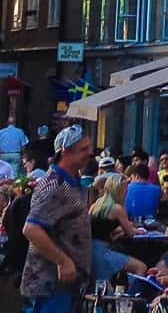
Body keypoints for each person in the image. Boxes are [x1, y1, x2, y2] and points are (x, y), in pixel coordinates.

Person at [20, 124, 93, 313]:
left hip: (65, 285)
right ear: (66, 152)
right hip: (49, 283)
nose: (90, 153)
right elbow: (31, 229)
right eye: (83, 149)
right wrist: (63, 261)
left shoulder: (73, 180)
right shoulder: (54, 185)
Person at [89, 173, 147, 280]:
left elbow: (101, 228)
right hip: (102, 252)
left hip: (90, 250)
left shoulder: (95, 205)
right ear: (118, 190)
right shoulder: (117, 208)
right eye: (125, 189)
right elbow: (131, 233)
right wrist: (139, 230)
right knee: (141, 267)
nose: (127, 192)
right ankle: (132, 294)